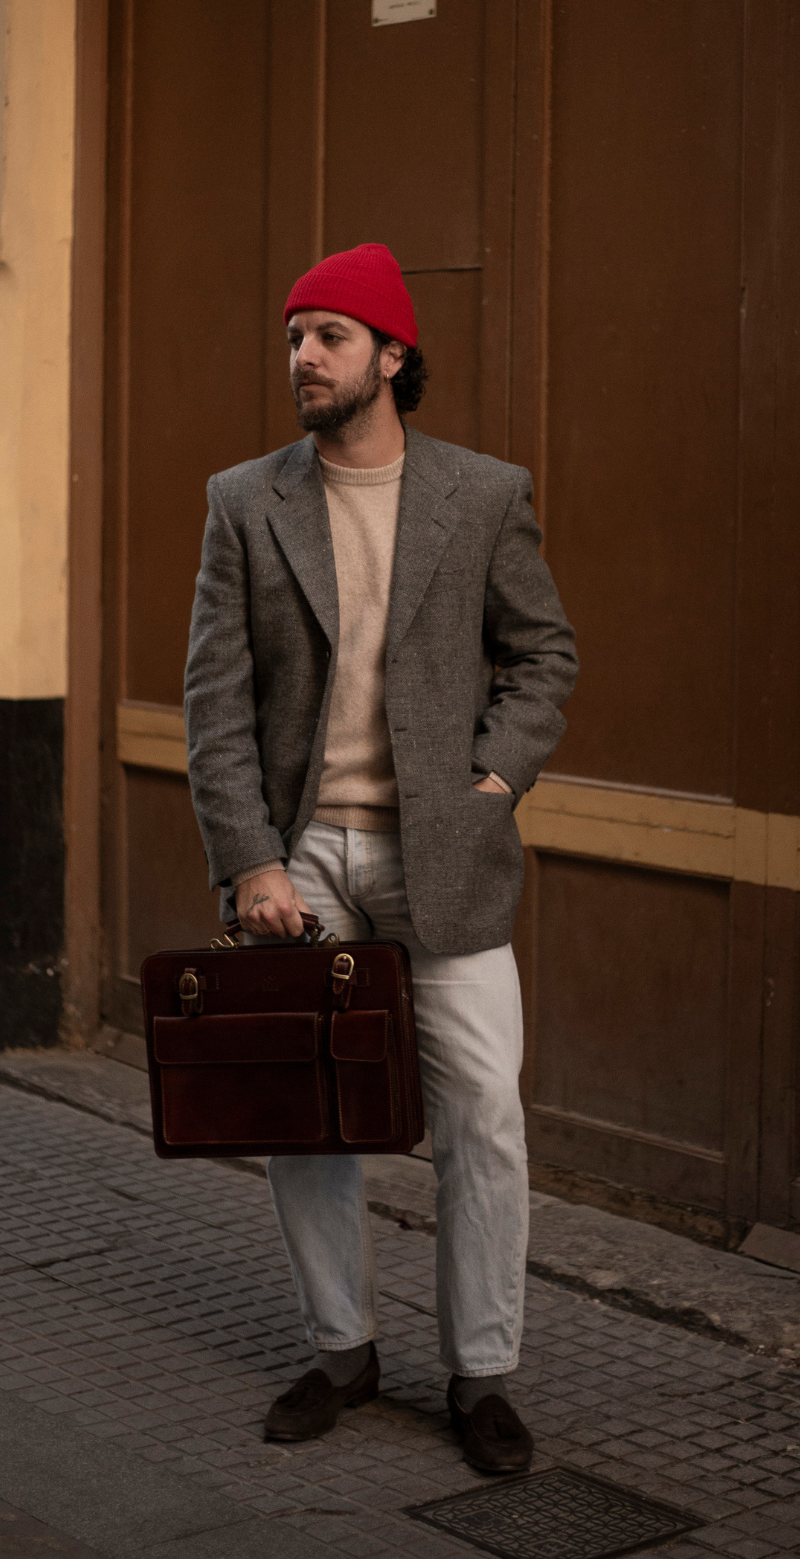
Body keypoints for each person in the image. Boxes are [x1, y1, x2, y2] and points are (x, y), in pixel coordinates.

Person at [184, 242, 578, 1473]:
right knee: (309, 1115)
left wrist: (492, 777)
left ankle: (482, 1371)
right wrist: (250, 859)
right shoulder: (246, 500)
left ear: (393, 354)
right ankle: (341, 1347)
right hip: (301, 854)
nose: (302, 356)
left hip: (441, 851)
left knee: (484, 1115)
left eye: (330, 335)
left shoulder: (483, 493)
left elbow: (544, 654)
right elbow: (215, 699)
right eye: (293, 336)